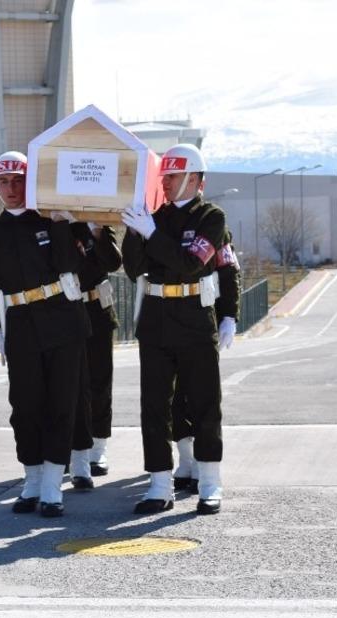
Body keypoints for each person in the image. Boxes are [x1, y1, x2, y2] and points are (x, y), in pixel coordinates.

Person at [0, 150, 90, 518]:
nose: (11, 188)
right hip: (19, 324)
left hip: (62, 320)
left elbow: (70, 265)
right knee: (24, 406)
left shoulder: (53, 221)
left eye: (18, 180)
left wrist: (59, 223)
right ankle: (32, 479)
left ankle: (53, 485)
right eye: (3, 181)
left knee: (61, 403)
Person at [121, 143, 227, 516]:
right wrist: (133, 232)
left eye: (174, 176)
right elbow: (134, 269)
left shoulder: (211, 218)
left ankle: (210, 482)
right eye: (164, 176)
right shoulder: (156, 218)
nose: (166, 183)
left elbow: (188, 264)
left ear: (196, 180)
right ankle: (159, 484)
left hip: (195, 317)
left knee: (203, 402)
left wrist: (151, 234)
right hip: (155, 317)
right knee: (154, 405)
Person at [172, 229, 239, 492]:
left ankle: (202, 461)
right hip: (166, 318)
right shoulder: (163, 222)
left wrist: (229, 316)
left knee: (201, 394)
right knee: (174, 397)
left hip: (203, 317)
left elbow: (229, 272)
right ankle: (186, 457)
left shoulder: (214, 227)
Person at [68, 222, 122, 487]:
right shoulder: (56, 224)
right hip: (65, 311)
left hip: (97, 312)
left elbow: (113, 262)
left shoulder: (97, 222)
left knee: (99, 382)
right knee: (69, 386)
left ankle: (98, 448)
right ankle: (72, 446)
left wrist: (98, 232)